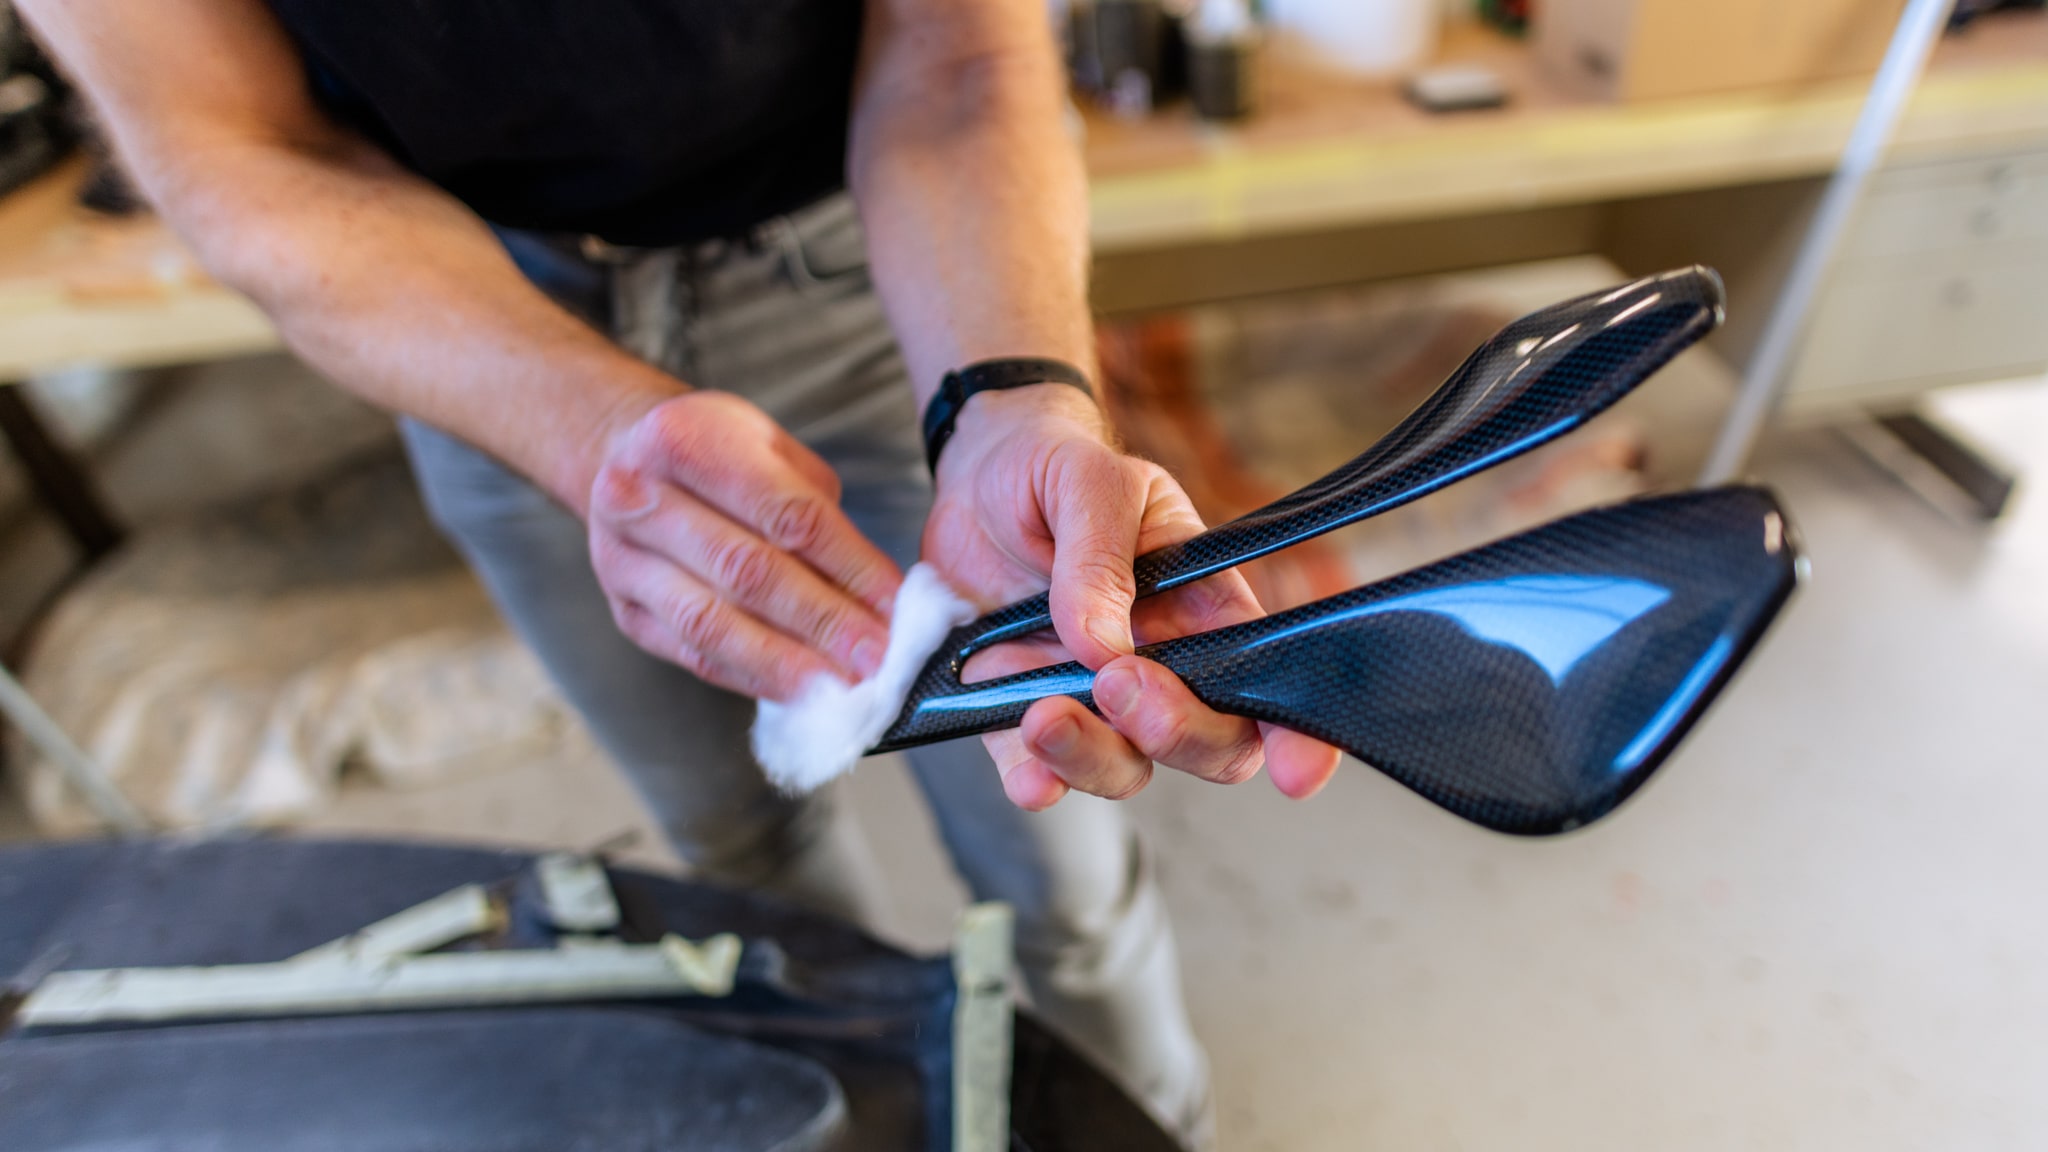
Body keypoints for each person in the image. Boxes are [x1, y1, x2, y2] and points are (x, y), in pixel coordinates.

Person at [22, 0, 1342, 1139]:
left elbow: (957, 56)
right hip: (465, 307)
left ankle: (1144, 1120)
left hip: (861, 262)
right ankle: (852, 1110)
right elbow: (234, 142)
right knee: (736, 844)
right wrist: (586, 430)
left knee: (1054, 844)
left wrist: (1011, 397)